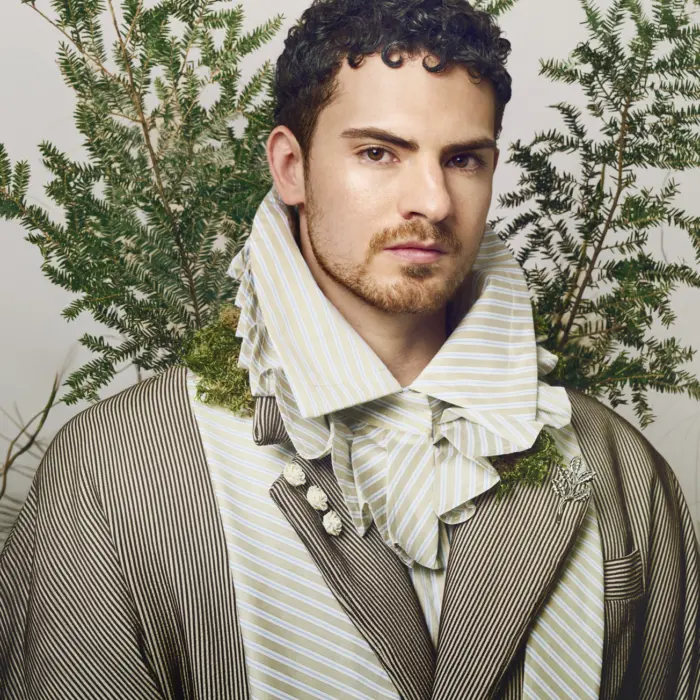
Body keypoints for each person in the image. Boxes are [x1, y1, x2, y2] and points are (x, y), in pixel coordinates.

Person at [1, 0, 698, 698]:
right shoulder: (113, 472)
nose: (433, 202)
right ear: (290, 167)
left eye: (462, 159)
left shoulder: (619, 470)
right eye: (378, 153)